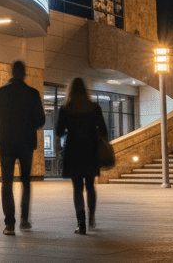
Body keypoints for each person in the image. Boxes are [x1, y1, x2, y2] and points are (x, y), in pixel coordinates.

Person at [0, 60, 45, 236]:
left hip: (6, 142)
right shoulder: (32, 93)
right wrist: (28, 125)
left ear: (11, 72)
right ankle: (25, 219)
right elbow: (41, 120)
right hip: (26, 142)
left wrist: (1, 132)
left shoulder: (0, 92)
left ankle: (10, 224)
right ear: (24, 73)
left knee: (7, 182)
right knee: (26, 181)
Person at [54, 77, 108, 235]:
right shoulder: (94, 107)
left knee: (77, 188)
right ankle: (91, 217)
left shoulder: (66, 108)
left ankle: (81, 223)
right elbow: (104, 130)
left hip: (73, 151)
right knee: (90, 186)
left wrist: (69, 129)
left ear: (70, 90)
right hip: (90, 150)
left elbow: (58, 131)